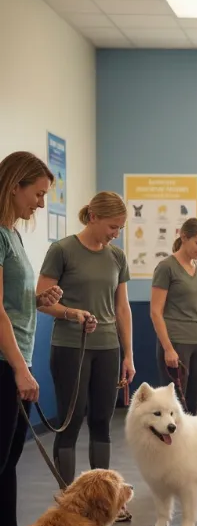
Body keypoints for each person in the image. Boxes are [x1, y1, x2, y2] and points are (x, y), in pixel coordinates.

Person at [37, 192, 135, 509]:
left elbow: (122, 308)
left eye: (119, 228)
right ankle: (69, 502)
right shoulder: (62, 250)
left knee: (101, 421)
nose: (115, 234)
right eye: (112, 226)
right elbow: (41, 298)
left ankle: (104, 502)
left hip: (108, 348)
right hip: (70, 347)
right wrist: (71, 313)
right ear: (93, 217)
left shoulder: (116, 257)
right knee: (71, 421)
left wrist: (128, 354)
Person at [0, 152, 61, 526]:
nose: (40, 203)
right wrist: (21, 367)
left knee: (9, 460)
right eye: (36, 194)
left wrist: (39, 299)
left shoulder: (13, 234)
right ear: (15, 185)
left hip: (15, 356)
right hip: (4, 361)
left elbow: (11, 300)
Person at [150, 218, 197, 415]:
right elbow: (156, 311)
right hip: (176, 342)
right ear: (184, 237)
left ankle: (189, 445)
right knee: (174, 405)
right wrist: (168, 348)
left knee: (193, 403)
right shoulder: (166, 267)